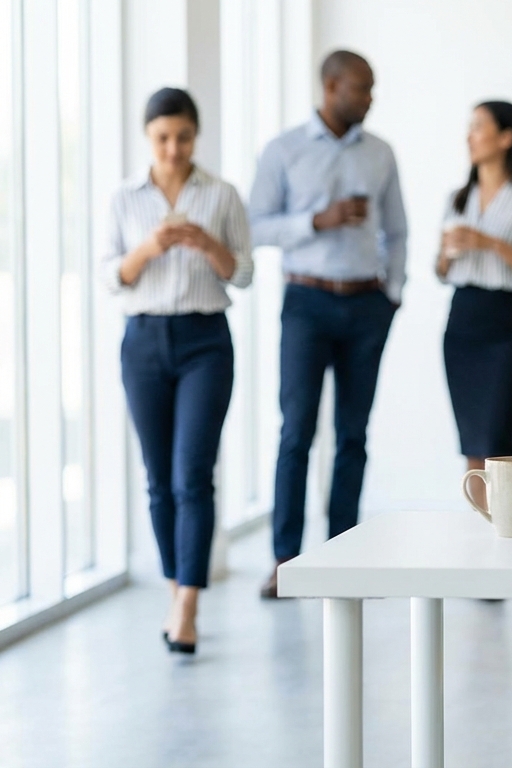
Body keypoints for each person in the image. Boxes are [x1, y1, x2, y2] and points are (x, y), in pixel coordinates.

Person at [249, 50, 408, 598]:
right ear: (332, 85)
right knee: (295, 431)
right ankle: (285, 561)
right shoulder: (284, 150)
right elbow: (255, 227)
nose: (369, 98)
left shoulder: (381, 153)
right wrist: (317, 220)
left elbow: (398, 230)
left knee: (352, 435)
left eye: (372, 88)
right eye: (362, 88)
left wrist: (393, 294)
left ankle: (344, 554)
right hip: (307, 302)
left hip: (366, 306)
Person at [103, 88, 254, 653]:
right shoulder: (124, 197)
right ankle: (174, 587)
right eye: (163, 138)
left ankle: (188, 602)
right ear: (148, 137)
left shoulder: (221, 195)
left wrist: (206, 242)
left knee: (193, 473)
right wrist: (150, 247)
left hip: (205, 341)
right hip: (142, 341)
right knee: (158, 479)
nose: (173, 149)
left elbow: (242, 275)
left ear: (197, 136)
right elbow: (110, 275)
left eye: (183, 137)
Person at [436, 102, 512, 508]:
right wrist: (447, 254)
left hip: (506, 323)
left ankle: (500, 529)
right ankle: (477, 526)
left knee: (497, 439)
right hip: (462, 320)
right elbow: (440, 270)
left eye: (479, 127)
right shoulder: (458, 198)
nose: (470, 136)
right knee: (471, 441)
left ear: (506, 137)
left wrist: (488, 243)